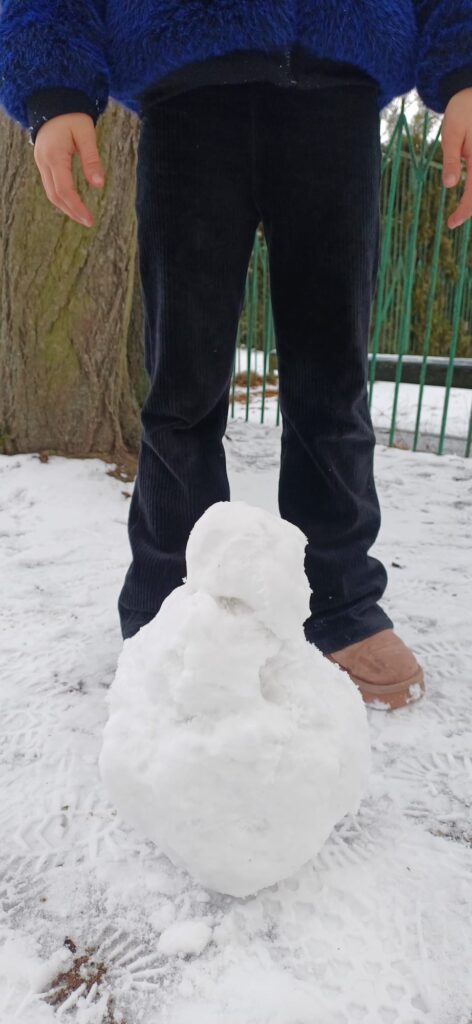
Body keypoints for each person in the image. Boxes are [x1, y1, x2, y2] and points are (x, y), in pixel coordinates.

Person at [1, 3, 471, 710]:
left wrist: (464, 65)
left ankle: (340, 600)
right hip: (185, 83)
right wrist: (52, 81)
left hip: (340, 82)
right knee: (182, 386)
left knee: (333, 382)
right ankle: (171, 604)